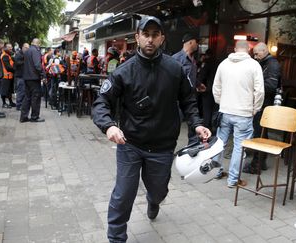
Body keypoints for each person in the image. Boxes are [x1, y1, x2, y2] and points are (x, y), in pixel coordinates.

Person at [92, 16, 211, 243]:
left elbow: (189, 100)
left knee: (159, 192)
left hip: (162, 146)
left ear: (162, 39)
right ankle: (116, 238)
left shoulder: (175, 69)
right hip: (130, 144)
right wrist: (108, 126)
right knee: (123, 194)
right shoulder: (123, 72)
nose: (150, 39)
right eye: (146, 34)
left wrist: (197, 124)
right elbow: (101, 102)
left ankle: (153, 201)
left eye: (155, 35)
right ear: (137, 37)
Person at [212, 40, 264, 188]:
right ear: (248, 50)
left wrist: (221, 102)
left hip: (225, 111)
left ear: (235, 49)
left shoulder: (223, 64)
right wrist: (256, 108)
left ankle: (216, 172)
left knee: (219, 144)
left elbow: (216, 87)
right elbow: (259, 91)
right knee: (239, 147)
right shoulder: (254, 65)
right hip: (243, 112)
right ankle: (233, 180)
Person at [243, 42, 281, 174]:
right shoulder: (265, 63)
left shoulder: (272, 64)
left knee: (260, 133)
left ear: (264, 51)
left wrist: (253, 85)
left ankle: (257, 164)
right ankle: (260, 162)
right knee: (261, 133)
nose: (255, 56)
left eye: (256, 53)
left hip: (265, 105)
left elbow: (271, 86)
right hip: (262, 104)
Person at [172, 32, 201, 144]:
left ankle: (193, 147)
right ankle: (169, 146)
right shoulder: (176, 58)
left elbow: (190, 76)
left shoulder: (192, 59)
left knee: (193, 123)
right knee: (174, 124)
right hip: (178, 99)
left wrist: (198, 84)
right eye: (196, 42)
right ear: (191, 42)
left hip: (191, 98)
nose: (197, 45)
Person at [20, 38, 46, 123]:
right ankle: (34, 117)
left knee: (27, 97)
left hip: (27, 77)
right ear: (38, 44)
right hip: (34, 78)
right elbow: (37, 65)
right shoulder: (35, 51)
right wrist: (43, 74)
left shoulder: (27, 51)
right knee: (35, 98)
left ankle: (23, 117)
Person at [197, 49, 219, 132]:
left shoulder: (206, 62)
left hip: (207, 89)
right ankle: (215, 127)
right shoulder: (219, 62)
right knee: (215, 110)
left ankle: (207, 128)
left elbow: (202, 74)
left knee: (207, 110)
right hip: (217, 89)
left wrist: (198, 84)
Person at [14, 43, 29, 111]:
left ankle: (22, 104)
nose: (27, 49)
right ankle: (18, 105)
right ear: (22, 47)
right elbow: (17, 63)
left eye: (28, 48)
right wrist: (25, 61)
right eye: (26, 47)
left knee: (24, 91)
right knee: (20, 91)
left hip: (24, 76)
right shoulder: (18, 54)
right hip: (20, 76)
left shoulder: (24, 54)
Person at [0, 43, 16, 108]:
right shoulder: (5, 56)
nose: (10, 48)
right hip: (5, 76)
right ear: (5, 48)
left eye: (11, 47)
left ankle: (10, 102)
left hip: (9, 76)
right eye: (9, 47)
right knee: (4, 91)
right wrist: (16, 69)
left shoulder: (8, 55)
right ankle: (4, 103)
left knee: (9, 90)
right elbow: (8, 67)